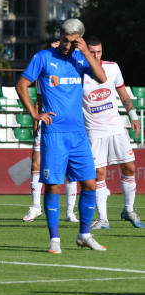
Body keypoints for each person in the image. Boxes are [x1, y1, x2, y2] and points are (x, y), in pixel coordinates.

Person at [16, 18, 108, 254]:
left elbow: (102, 77)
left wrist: (86, 51)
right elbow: (21, 85)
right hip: (54, 134)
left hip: (78, 134)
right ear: (60, 36)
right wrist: (35, 114)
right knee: (54, 187)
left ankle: (84, 235)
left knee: (89, 184)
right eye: (65, 40)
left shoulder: (80, 58)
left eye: (72, 42)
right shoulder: (43, 57)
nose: (67, 46)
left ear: (79, 40)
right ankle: (54, 240)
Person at [81, 36, 143, 229]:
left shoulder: (113, 67)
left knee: (130, 168)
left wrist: (133, 116)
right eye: (92, 52)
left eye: (99, 52)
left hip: (115, 127)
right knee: (99, 173)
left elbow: (123, 93)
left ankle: (128, 209)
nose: (96, 55)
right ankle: (103, 218)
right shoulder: (78, 71)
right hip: (94, 130)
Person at [23, 55, 79, 223]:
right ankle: (36, 207)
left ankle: (70, 212)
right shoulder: (46, 73)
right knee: (36, 163)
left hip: (69, 127)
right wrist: (35, 120)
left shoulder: (75, 71)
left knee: (70, 169)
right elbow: (38, 100)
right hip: (47, 124)